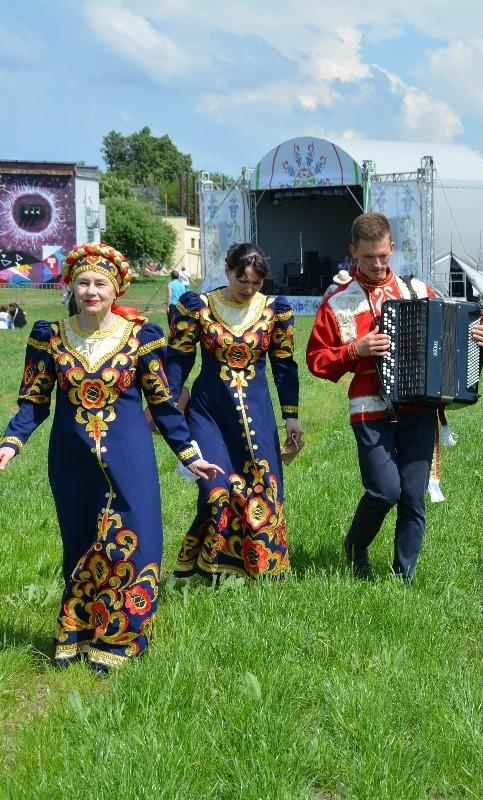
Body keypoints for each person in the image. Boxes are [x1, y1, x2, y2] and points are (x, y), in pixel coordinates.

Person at [0, 243, 220, 671]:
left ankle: (122, 639)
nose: (91, 291)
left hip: (130, 459)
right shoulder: (49, 338)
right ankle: (78, 635)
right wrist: (10, 443)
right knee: (81, 546)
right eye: (83, 282)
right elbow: (32, 402)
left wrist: (191, 454)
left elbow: (162, 405)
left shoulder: (141, 339)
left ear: (116, 288)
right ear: (71, 286)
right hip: (71, 463)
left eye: (100, 283)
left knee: (137, 544)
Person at [306, 212, 483, 580]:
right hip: (369, 409)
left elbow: (455, 338)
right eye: (368, 257)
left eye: (383, 256)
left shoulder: (419, 292)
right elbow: (316, 361)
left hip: (419, 407)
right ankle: (355, 546)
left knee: (413, 496)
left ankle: (402, 578)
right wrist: (355, 350)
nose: (376, 265)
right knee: (384, 491)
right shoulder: (337, 303)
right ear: (353, 251)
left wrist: (476, 341)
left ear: (393, 248)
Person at [167, 243, 302, 581]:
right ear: (227, 270)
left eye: (256, 283)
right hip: (209, 412)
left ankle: (261, 568)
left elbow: (284, 364)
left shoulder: (275, 311)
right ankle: (207, 568)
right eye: (242, 280)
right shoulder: (200, 308)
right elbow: (179, 358)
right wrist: (167, 402)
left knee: (263, 485)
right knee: (216, 488)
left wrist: (291, 415)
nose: (249, 288)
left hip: (258, 412)